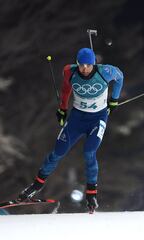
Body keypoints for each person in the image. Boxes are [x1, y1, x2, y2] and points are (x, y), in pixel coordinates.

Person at [18, 48, 124, 212]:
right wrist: (62, 109)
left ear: (93, 64)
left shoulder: (105, 71)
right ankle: (35, 186)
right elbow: (66, 89)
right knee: (57, 152)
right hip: (77, 118)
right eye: (81, 65)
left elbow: (120, 77)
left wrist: (114, 100)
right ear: (77, 63)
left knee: (89, 152)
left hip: (98, 118)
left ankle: (91, 194)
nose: (85, 69)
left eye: (88, 65)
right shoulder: (69, 71)